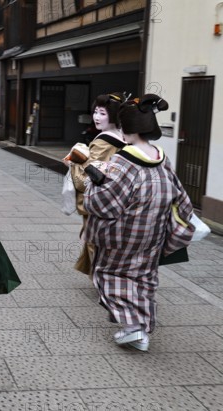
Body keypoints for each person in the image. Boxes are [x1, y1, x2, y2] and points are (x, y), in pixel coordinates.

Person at [82, 94, 194, 351]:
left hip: (122, 235)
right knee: (144, 279)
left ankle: (132, 327)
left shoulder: (124, 159)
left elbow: (104, 203)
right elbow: (180, 197)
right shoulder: (161, 157)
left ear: (124, 128)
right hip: (153, 234)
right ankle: (142, 331)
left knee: (110, 276)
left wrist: (93, 181)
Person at [66, 93, 127, 275]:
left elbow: (86, 179)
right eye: (95, 112)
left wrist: (72, 164)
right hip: (115, 198)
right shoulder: (123, 137)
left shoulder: (103, 141)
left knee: (94, 239)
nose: (96, 117)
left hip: (98, 200)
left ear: (114, 115)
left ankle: (103, 281)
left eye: (102, 113)